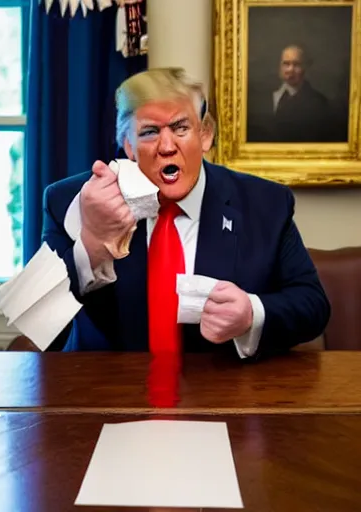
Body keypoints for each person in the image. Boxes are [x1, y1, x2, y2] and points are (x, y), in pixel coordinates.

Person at [42, 67, 330, 359]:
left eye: (181, 128)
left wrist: (251, 314)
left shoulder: (266, 203)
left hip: (225, 394)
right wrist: (91, 245)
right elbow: (40, 328)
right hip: (111, 395)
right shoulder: (70, 201)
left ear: (205, 135)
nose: (167, 147)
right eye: (150, 132)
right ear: (128, 146)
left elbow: (313, 306)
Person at [248, 45, 336, 143]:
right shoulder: (264, 96)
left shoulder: (319, 103)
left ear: (305, 68)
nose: (290, 70)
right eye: (286, 64)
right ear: (280, 67)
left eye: (296, 64)